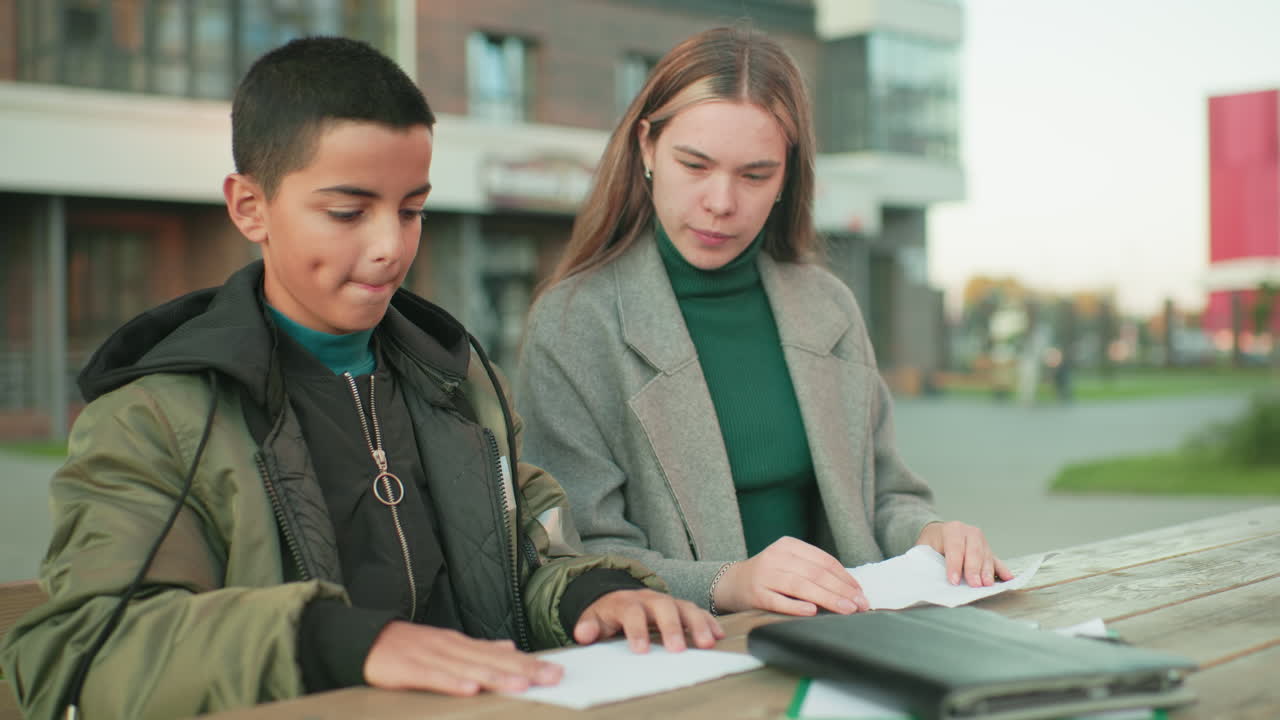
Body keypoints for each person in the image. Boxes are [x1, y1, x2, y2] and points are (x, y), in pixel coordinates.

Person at [0, 37, 720, 720]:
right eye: (348, 211)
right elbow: (77, 655)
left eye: (412, 211)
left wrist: (594, 594)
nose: (390, 248)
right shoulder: (156, 415)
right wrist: (341, 642)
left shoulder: (459, 382)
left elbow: (530, 563)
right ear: (249, 206)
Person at [515, 26, 1012, 619]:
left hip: (848, 638)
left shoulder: (828, 306)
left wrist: (931, 534)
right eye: (695, 165)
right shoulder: (574, 323)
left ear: (787, 177)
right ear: (646, 147)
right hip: (688, 667)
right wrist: (731, 582)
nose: (722, 202)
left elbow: (883, 495)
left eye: (755, 175)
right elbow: (578, 554)